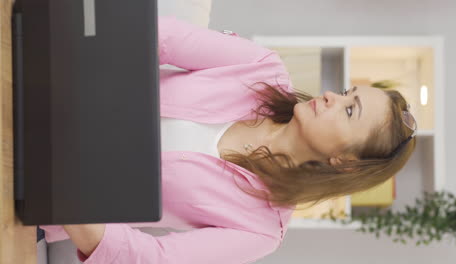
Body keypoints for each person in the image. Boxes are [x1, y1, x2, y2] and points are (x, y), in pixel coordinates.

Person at [39, 16, 416, 263]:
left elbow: (153, 258)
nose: (334, 97)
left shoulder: (261, 229)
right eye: (348, 92)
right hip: (42, 91)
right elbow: (156, 36)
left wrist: (68, 193)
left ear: (345, 162)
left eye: (350, 111)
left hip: (42, 195)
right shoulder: (263, 68)